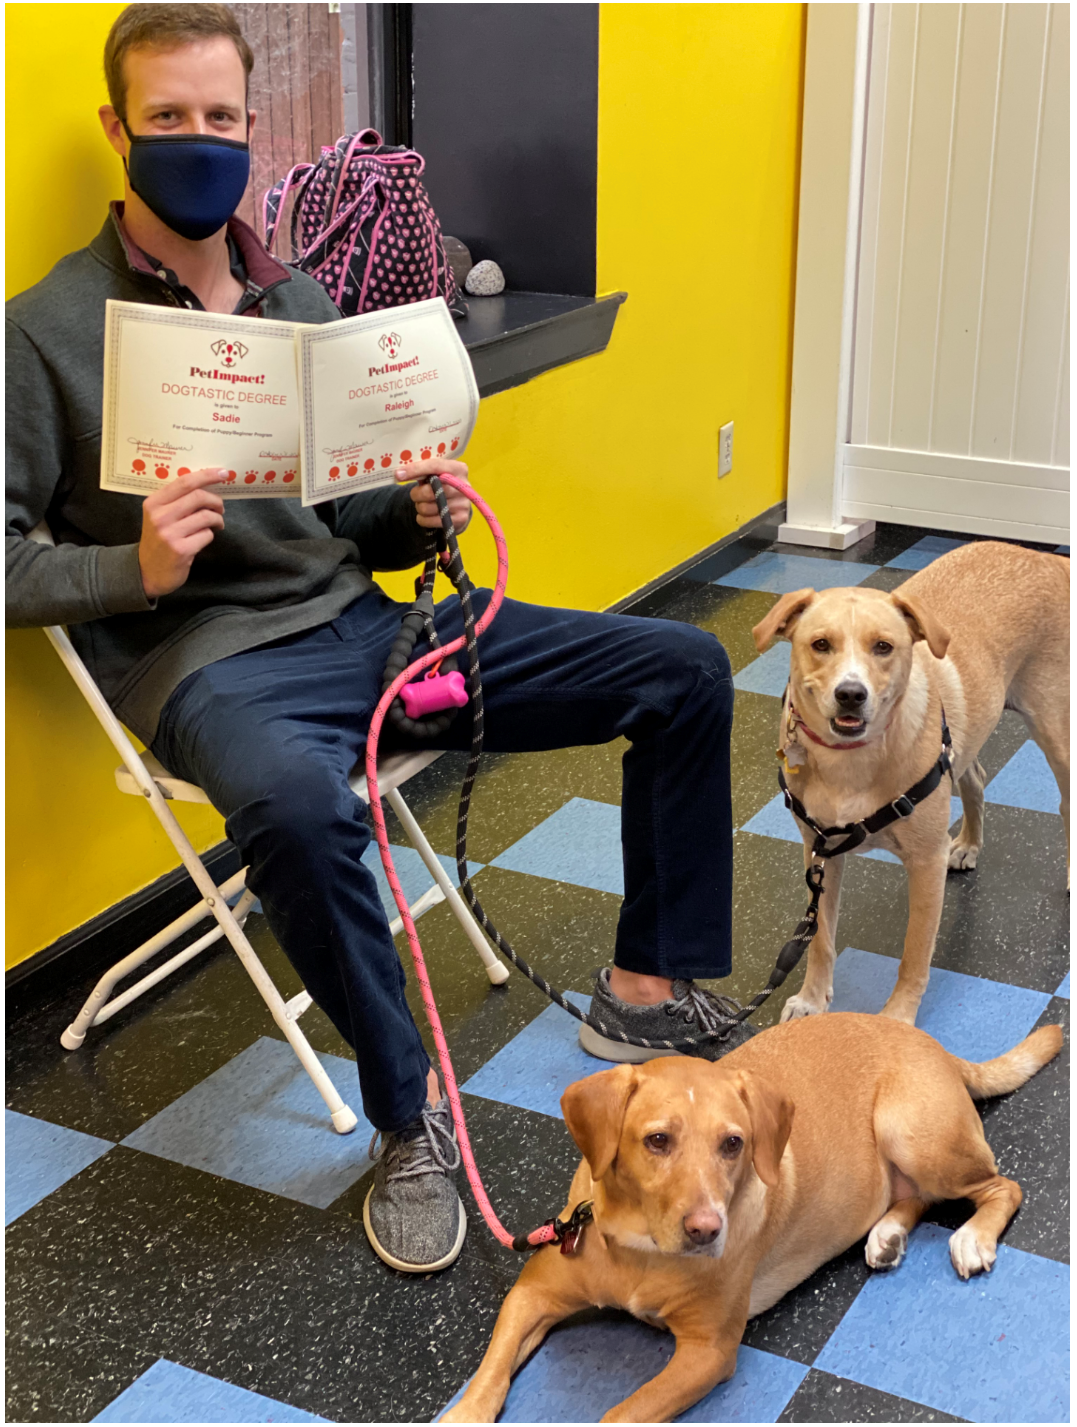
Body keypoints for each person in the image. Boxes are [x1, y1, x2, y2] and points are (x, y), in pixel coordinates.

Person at [5, 3, 743, 1275]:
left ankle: (645, 990)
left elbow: (343, 515)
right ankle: (408, 1126)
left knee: (681, 667)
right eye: (168, 120)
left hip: (366, 621)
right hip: (213, 668)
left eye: (222, 119)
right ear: (117, 130)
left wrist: (408, 506)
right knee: (298, 806)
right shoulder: (42, 330)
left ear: (252, 126)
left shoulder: (300, 298)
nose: (199, 142)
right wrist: (134, 564)